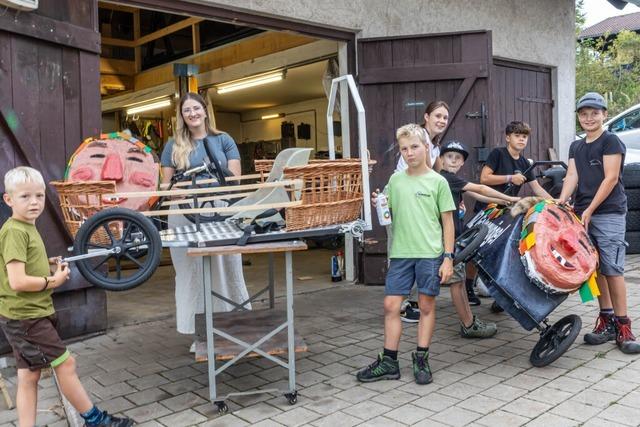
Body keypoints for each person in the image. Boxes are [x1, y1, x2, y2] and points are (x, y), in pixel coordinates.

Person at [0, 167, 133, 427]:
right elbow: (17, 281)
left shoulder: (24, 227)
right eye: (25, 197)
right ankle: (96, 421)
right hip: (28, 318)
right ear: (9, 200)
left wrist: (45, 263)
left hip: (22, 316)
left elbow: (19, 267)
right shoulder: (15, 231)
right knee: (66, 363)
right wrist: (54, 281)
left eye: (39, 196)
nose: (34, 202)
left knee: (29, 376)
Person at [356, 124, 455, 385]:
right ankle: (389, 361)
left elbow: (448, 223)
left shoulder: (438, 182)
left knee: (426, 305)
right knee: (391, 306)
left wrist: (448, 257)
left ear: (426, 148)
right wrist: (381, 202)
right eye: (404, 149)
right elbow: (389, 212)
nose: (409, 153)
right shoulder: (395, 181)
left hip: (429, 254)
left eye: (414, 147)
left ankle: (421, 357)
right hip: (401, 253)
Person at [160, 92, 250, 346]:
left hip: (219, 210)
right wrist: (179, 191)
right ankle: (201, 334)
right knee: (191, 272)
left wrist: (209, 187)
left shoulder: (224, 140)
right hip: (184, 213)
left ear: (205, 110)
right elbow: (165, 186)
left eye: (196, 108)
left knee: (226, 266)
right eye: (186, 110)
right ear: (181, 116)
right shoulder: (173, 145)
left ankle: (232, 327)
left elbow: (234, 179)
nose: (192, 114)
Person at [558, 92, 639, 354]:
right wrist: (561, 201)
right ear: (579, 117)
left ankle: (624, 326)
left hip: (609, 213)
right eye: (584, 114)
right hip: (583, 213)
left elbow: (611, 178)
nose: (589, 118)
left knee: (613, 269)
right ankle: (605, 320)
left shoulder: (611, 141)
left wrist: (591, 209)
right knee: (595, 268)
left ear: (604, 114)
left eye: (595, 113)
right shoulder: (576, 146)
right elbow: (572, 175)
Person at [437, 140, 521, 338]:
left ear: (462, 163)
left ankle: (467, 320)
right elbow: (481, 189)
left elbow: (477, 194)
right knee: (457, 282)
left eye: (458, 158)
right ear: (441, 159)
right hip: (446, 239)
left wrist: (501, 201)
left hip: (451, 236)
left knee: (456, 280)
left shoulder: (451, 180)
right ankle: (468, 325)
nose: (453, 160)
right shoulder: (446, 179)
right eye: (449, 156)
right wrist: (512, 199)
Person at [476, 121, 553, 312]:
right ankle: (469, 285)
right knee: (476, 250)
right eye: (517, 135)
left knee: (506, 251)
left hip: (506, 212)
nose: (521, 139)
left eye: (524, 136)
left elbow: (537, 188)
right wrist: (510, 178)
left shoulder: (525, 164)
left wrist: (556, 202)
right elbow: (484, 178)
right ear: (507, 137)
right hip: (487, 208)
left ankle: (501, 294)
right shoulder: (498, 154)